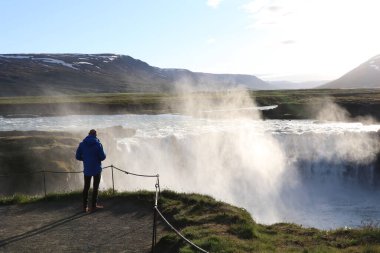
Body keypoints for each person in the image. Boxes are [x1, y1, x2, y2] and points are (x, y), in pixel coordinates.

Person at [76, 129, 106, 212]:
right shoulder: (98, 144)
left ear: (88, 134)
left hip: (87, 169)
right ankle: (93, 206)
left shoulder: (82, 144)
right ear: (95, 135)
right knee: (95, 188)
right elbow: (103, 157)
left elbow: (77, 156)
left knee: (86, 187)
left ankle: (84, 207)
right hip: (96, 169)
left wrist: (85, 159)